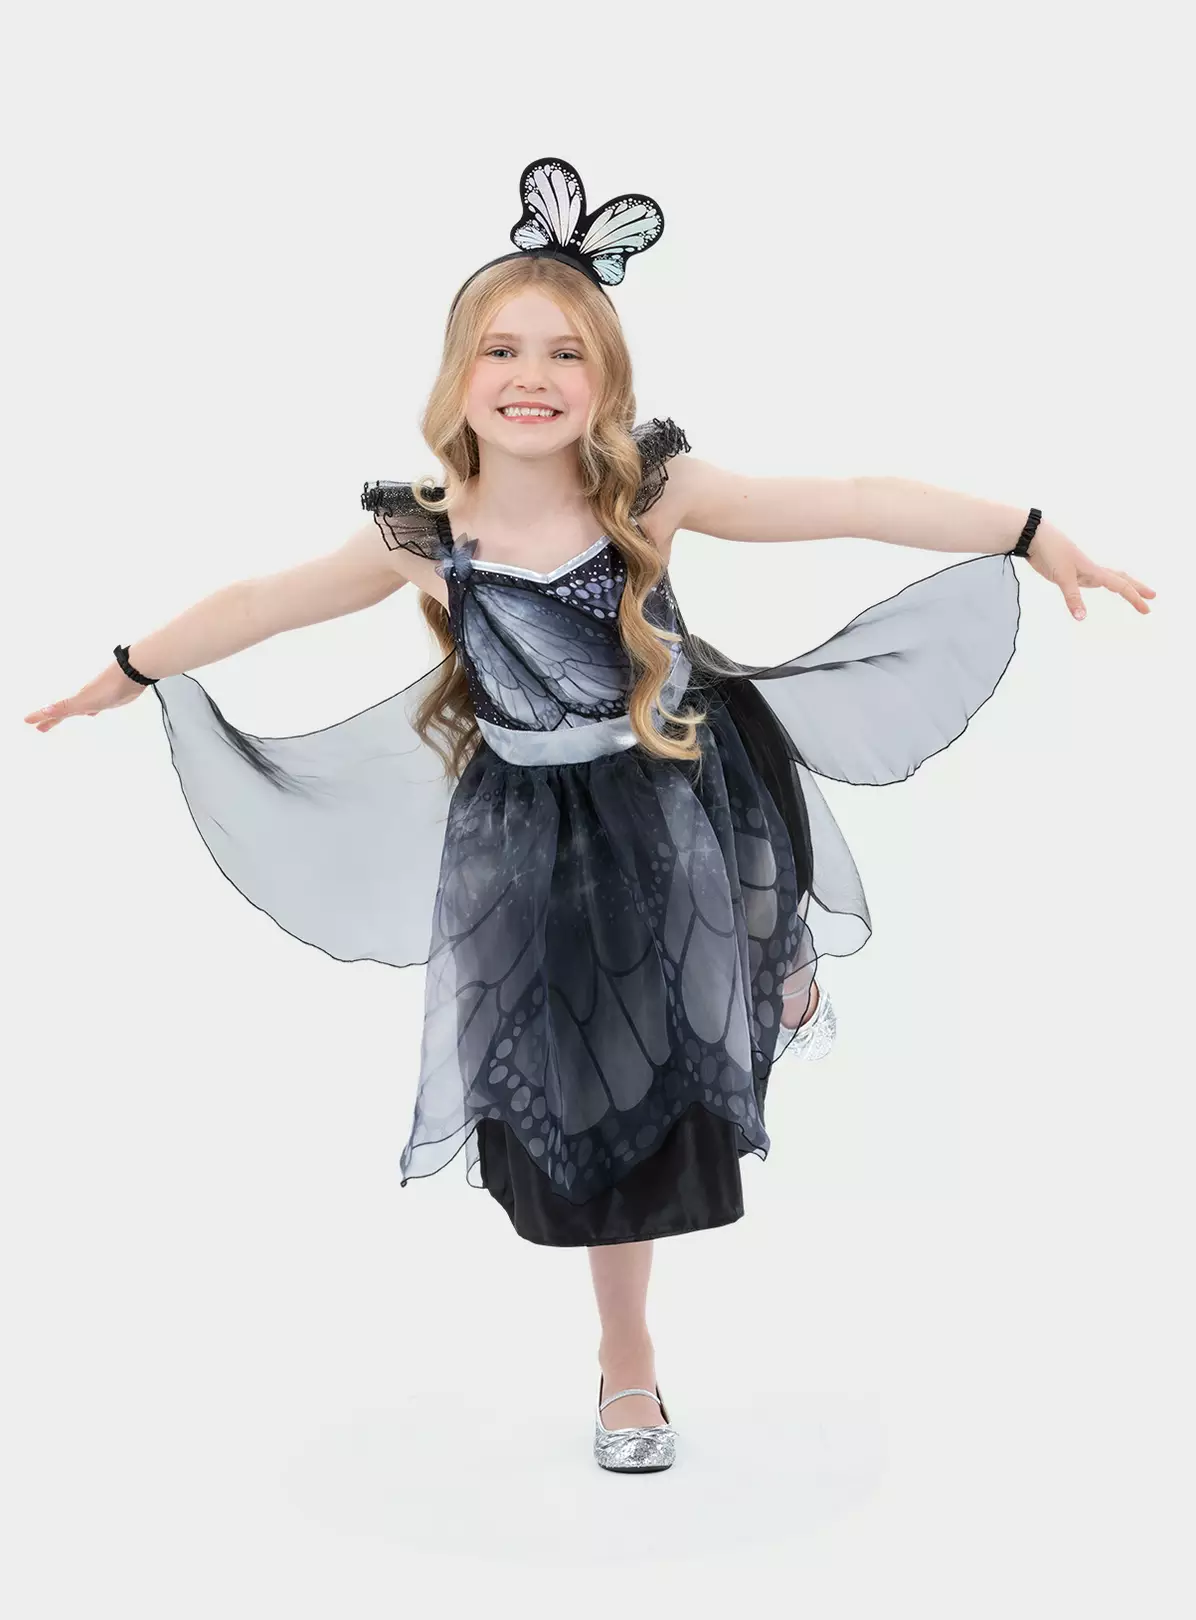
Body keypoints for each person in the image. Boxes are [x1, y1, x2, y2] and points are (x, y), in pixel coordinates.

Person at [24, 156, 1154, 1475]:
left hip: (680, 784)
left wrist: (1026, 528)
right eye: (502, 350)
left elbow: (846, 501)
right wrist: (132, 668)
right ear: (457, 376)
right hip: (533, 839)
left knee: (713, 976)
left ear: (606, 379)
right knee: (603, 1093)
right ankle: (630, 1352)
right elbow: (262, 601)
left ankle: (768, 978)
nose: (533, 376)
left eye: (566, 352)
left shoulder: (652, 492)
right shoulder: (423, 538)